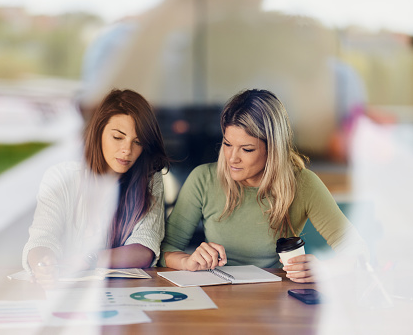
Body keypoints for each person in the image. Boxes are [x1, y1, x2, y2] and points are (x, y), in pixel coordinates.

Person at [160, 89, 368, 283]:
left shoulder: (304, 184)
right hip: (219, 296)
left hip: (276, 298)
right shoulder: (203, 179)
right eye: (227, 144)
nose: (232, 158)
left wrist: (325, 268)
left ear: (273, 150)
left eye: (247, 149)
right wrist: (187, 261)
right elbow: (167, 250)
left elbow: (358, 251)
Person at [23, 89, 169, 288]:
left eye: (138, 142)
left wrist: (87, 259)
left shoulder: (150, 179)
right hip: (65, 289)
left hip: (123, 293)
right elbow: (42, 239)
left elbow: (144, 249)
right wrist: (42, 265)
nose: (127, 150)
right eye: (118, 137)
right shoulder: (59, 177)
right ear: (98, 132)